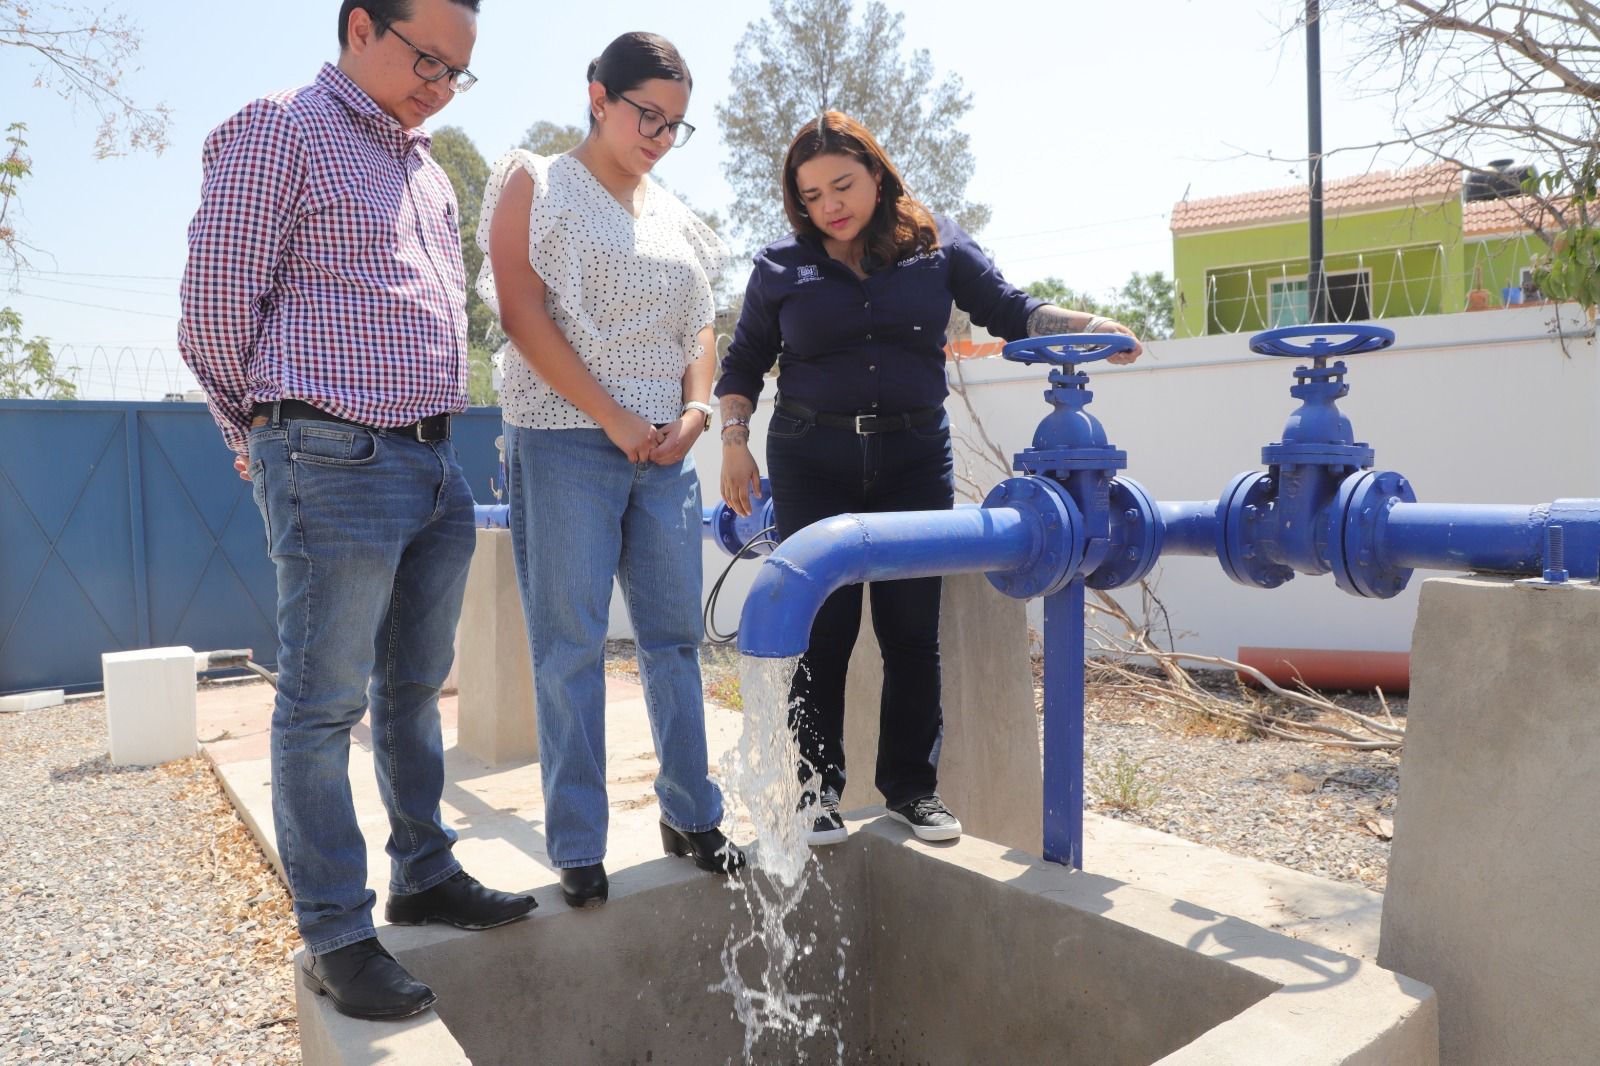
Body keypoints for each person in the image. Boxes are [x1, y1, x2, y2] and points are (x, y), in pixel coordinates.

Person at [178, 0, 536, 1023]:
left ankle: (423, 870)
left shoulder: (424, 169)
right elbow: (211, 306)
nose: (440, 83)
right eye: (426, 57)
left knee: (414, 690)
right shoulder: (280, 126)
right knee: (322, 700)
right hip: (330, 449)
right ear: (357, 27)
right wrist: (260, 431)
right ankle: (337, 932)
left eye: (458, 70)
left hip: (433, 459)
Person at [715, 111, 1143, 847]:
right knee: (825, 629)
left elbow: (1008, 307)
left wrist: (1088, 324)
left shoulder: (935, 240)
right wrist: (732, 442)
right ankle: (815, 793)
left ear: (877, 175)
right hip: (810, 458)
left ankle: (913, 790)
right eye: (812, 195)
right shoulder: (779, 266)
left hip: (914, 455)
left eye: (843, 185)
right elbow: (745, 360)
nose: (831, 206)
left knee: (913, 630)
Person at [478, 31, 744, 910]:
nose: (661, 137)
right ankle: (579, 844)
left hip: (666, 456)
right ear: (599, 95)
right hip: (563, 441)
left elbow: (700, 329)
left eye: (676, 125)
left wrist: (698, 412)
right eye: (647, 116)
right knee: (571, 649)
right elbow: (520, 311)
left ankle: (691, 816)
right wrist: (614, 416)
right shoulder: (536, 182)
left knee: (675, 641)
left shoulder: (672, 214)